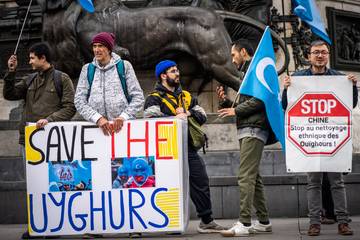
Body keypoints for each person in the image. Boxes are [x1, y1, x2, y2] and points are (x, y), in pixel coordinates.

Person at [282, 40, 358, 236]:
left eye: (323, 52)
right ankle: (314, 222)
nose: (320, 56)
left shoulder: (339, 78)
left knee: (337, 182)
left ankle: (343, 221)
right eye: (316, 52)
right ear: (309, 56)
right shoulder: (298, 77)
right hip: (312, 141)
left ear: (328, 55)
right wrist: (286, 88)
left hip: (333, 141)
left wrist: (353, 87)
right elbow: (287, 106)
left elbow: (351, 105)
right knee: (313, 183)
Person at [3, 42, 76, 240]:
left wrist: (50, 120)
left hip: (53, 141)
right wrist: (11, 72)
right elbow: (9, 94)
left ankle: (54, 226)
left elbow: (70, 107)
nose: (30, 61)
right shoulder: (29, 79)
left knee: (55, 182)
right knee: (34, 185)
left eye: (32, 57)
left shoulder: (62, 79)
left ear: (43, 58)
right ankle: (37, 226)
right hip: (29, 141)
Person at [143, 60, 225, 233]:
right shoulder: (153, 98)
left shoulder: (187, 96)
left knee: (200, 180)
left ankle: (207, 221)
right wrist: (174, 117)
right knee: (168, 185)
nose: (177, 73)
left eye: (177, 69)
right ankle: (169, 223)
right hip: (165, 152)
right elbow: (149, 119)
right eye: (173, 71)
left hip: (188, 149)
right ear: (163, 76)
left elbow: (202, 116)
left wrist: (187, 113)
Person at [216, 39, 273, 237]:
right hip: (249, 127)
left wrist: (235, 109)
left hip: (253, 129)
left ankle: (245, 223)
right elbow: (247, 104)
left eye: (233, 55)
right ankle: (264, 222)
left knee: (245, 176)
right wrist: (226, 102)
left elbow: (260, 100)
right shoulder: (248, 74)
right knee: (254, 177)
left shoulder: (254, 70)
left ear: (243, 52)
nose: (232, 60)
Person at [74, 32, 144, 134]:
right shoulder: (87, 69)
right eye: (94, 46)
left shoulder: (124, 66)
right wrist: (97, 118)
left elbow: (138, 97)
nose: (96, 50)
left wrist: (123, 117)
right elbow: (79, 100)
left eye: (100, 46)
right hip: (96, 130)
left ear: (109, 49)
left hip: (123, 129)